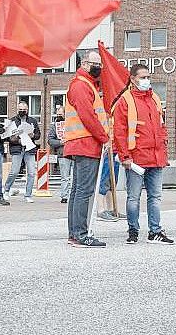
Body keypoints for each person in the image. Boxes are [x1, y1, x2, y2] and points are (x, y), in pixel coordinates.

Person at [113, 64, 173, 244]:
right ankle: (133, 230)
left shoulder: (154, 98)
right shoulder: (125, 100)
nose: (146, 80)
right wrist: (124, 156)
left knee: (155, 197)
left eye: (148, 77)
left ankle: (155, 231)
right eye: (143, 77)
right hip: (136, 159)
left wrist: (164, 153)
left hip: (155, 157)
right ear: (133, 79)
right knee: (134, 197)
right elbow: (120, 131)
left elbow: (161, 128)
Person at [64, 51, 110, 248]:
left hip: (81, 142)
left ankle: (75, 233)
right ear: (84, 63)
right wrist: (104, 137)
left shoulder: (83, 84)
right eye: (95, 63)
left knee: (77, 191)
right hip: (86, 143)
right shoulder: (82, 85)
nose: (99, 67)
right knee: (83, 190)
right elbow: (88, 115)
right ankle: (81, 234)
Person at [4, 101, 41, 203]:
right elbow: (8, 137)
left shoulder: (32, 121)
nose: (22, 111)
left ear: (27, 110)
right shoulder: (12, 121)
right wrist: (18, 140)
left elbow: (38, 135)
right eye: (20, 109)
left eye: (24, 110)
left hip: (29, 149)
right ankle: (6, 190)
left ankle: (28, 195)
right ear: (17, 109)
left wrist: (33, 135)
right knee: (14, 171)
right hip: (17, 149)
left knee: (31, 173)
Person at [48, 106, 73, 203]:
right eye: (57, 115)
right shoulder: (54, 126)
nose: (58, 116)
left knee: (74, 176)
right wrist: (60, 142)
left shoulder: (72, 124)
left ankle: (73, 194)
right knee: (65, 177)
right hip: (62, 154)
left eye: (60, 114)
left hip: (74, 153)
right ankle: (64, 196)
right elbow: (50, 140)